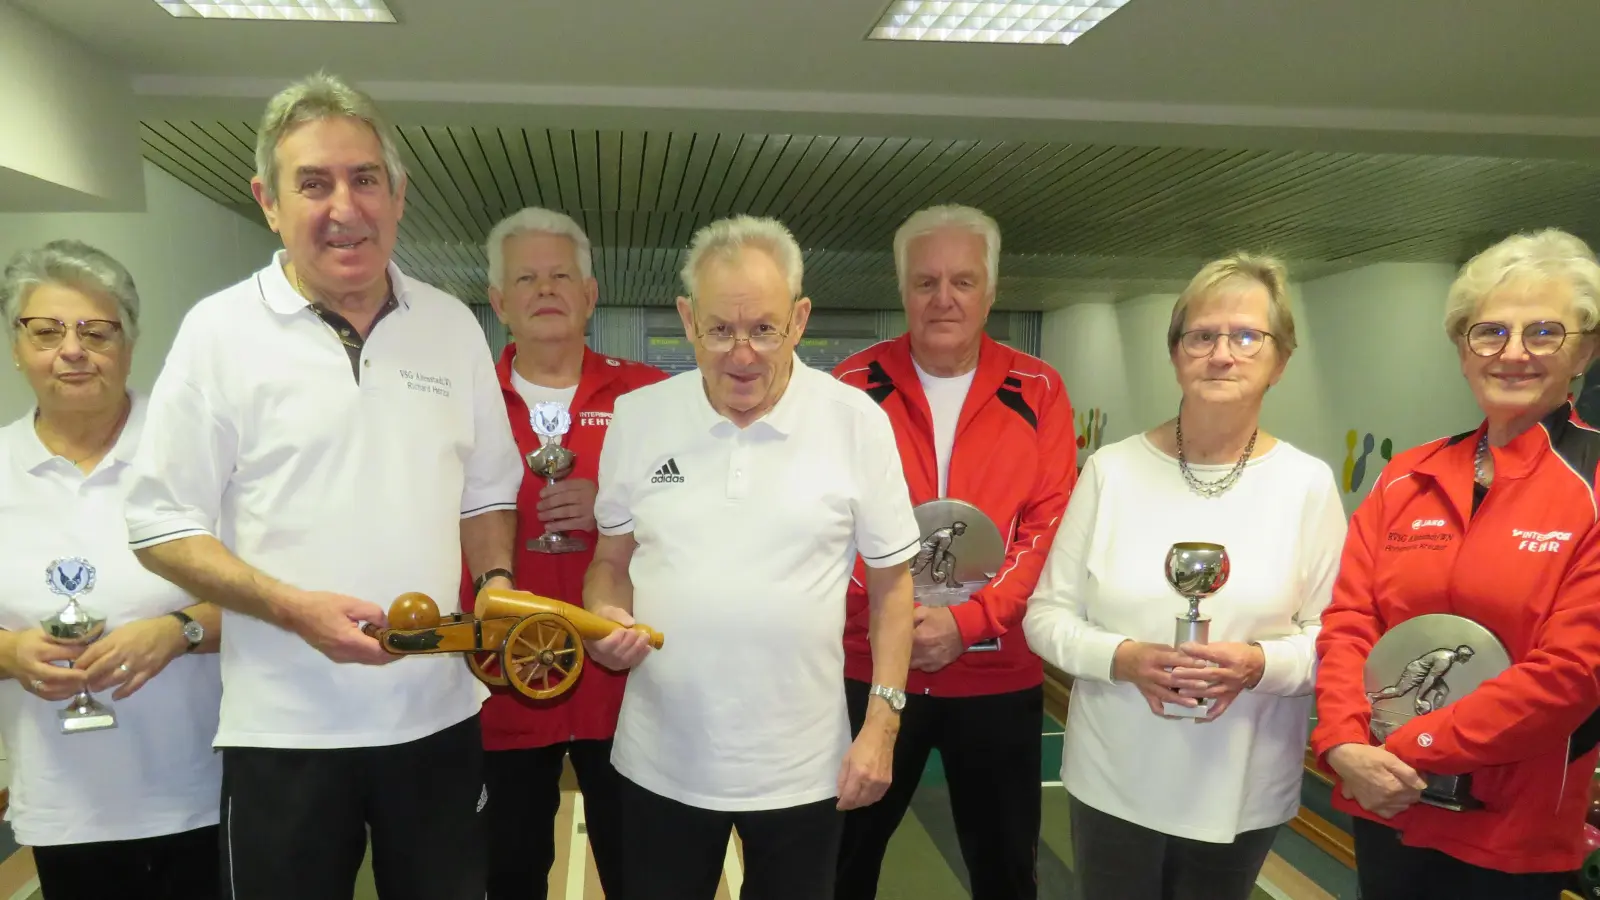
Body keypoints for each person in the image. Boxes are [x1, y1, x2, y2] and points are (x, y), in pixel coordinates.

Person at [121, 72, 522, 900]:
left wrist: (495, 585)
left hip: (437, 718)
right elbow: (160, 525)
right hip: (285, 731)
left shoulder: (451, 326)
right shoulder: (218, 332)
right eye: (314, 183)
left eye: (364, 178)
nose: (345, 206)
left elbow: (486, 493)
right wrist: (290, 608)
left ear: (399, 194)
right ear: (269, 201)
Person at [581, 214, 919, 900]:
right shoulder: (640, 418)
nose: (742, 354)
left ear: (799, 320)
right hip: (661, 762)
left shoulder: (856, 422)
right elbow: (609, 562)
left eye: (764, 329)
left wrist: (882, 724)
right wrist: (602, 617)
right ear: (687, 319)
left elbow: (893, 588)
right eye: (720, 329)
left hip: (803, 771)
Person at [1022, 254, 1347, 900]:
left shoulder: (1306, 486)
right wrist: (1126, 657)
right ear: (1175, 353)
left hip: (1242, 786)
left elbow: (1335, 639)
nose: (1222, 353)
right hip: (1114, 779)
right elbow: (1045, 618)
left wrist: (1258, 663)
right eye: (1202, 336)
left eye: (1247, 336)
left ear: (1280, 359)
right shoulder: (1111, 472)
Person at [1313, 228, 1600, 900]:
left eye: (1545, 333)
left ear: (1584, 349)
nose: (1514, 353)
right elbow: (1350, 622)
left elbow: (1572, 674)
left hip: (1511, 829)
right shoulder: (1407, 475)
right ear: (1462, 348)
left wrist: (1398, 750)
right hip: (1387, 805)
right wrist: (1341, 742)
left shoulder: (1593, 487)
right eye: (1490, 332)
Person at [832, 204, 1077, 900]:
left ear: (992, 290)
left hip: (996, 675)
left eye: (963, 282)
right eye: (926, 281)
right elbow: (830, 525)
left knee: (1005, 873)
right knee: (840, 866)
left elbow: (1047, 526)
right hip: (869, 669)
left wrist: (969, 622)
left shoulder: (1040, 389)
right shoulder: (849, 388)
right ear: (902, 288)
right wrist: (900, 623)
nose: (944, 299)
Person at [0, 240, 224, 900]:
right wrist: (12, 652)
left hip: (202, 790)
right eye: (46, 331)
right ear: (17, 346)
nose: (72, 350)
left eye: (96, 332)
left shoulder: (192, 453)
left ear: (127, 345)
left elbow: (277, 601)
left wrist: (177, 631)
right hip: (66, 801)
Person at [467, 207, 666, 899]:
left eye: (561, 275)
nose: (545, 289)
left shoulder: (653, 396)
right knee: (510, 874)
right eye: (526, 277)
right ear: (499, 303)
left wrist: (616, 503)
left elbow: (694, 509)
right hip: (504, 680)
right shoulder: (465, 401)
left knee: (642, 874)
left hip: (625, 682)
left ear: (591, 293)